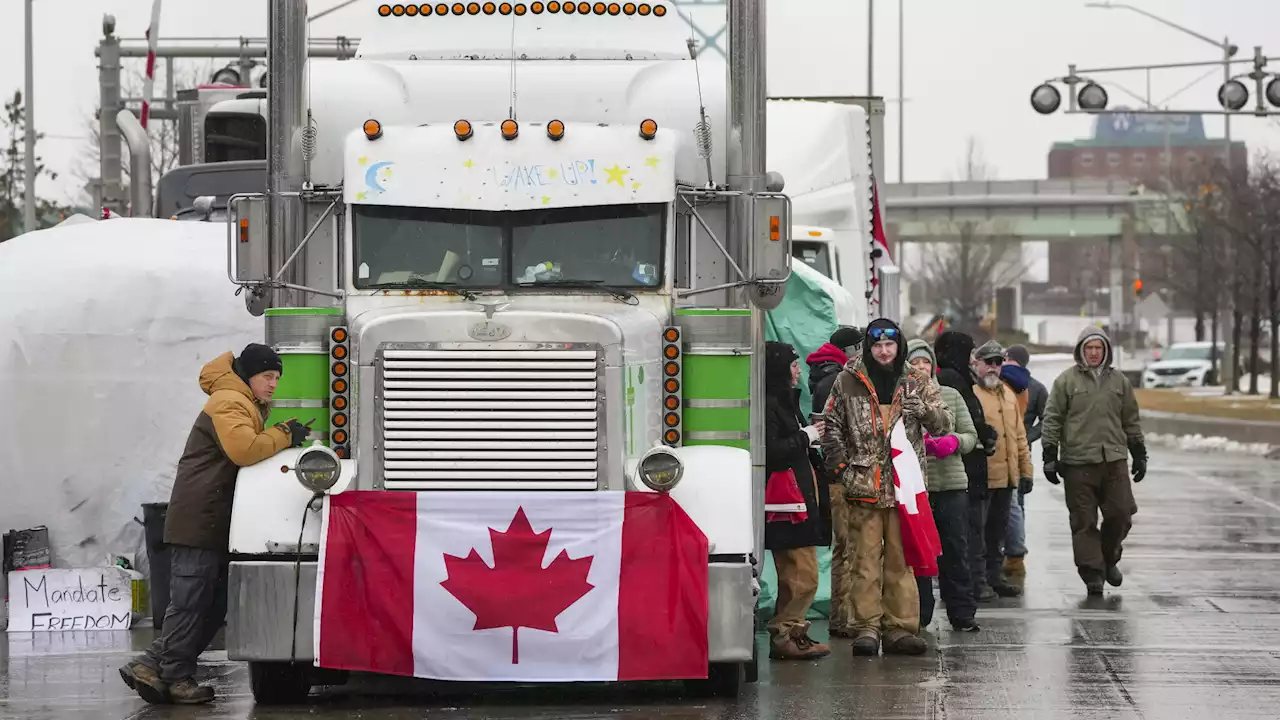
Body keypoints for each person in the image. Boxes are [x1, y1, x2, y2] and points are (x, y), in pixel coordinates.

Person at [119, 344, 311, 704]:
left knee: (211, 603)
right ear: (249, 374)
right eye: (268, 376)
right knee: (191, 602)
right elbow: (244, 450)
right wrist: (283, 434)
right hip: (199, 517)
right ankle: (173, 676)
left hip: (210, 517)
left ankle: (154, 665)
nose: (274, 385)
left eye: (277, 378)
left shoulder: (243, 402)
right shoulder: (230, 401)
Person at [822, 318, 951, 656]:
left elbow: (943, 424)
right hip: (862, 486)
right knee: (863, 561)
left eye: (889, 345)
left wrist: (922, 410)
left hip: (903, 487)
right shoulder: (846, 380)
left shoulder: (917, 381)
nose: (883, 351)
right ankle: (866, 627)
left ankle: (900, 627)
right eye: (877, 345)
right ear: (869, 347)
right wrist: (840, 466)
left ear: (899, 346)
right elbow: (831, 424)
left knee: (900, 560)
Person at [1041, 327, 1146, 596]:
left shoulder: (1119, 382)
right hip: (1078, 463)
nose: (1094, 352)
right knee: (1083, 522)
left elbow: (1131, 419)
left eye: (1099, 348)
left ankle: (1109, 559)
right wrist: (1050, 455)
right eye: (1089, 348)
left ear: (1106, 351)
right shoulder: (1066, 381)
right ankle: (1093, 573)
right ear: (1081, 351)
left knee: (1121, 514)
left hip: (1113, 460)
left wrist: (1139, 452)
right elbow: (1052, 418)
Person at [763, 341, 832, 660]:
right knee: (801, 576)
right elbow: (773, 453)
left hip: (796, 504)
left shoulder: (784, 402)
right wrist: (808, 435)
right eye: (793, 365)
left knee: (799, 574)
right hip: (786, 508)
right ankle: (785, 634)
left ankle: (793, 632)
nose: (799, 371)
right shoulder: (770, 405)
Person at [906, 340, 981, 632]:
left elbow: (970, 435)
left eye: (926, 362)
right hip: (917, 489)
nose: (921, 367)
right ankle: (920, 613)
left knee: (956, 550)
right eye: (915, 362)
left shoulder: (950, 394)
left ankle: (962, 612)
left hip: (951, 486)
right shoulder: (902, 397)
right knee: (919, 554)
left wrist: (953, 443)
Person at [933, 331, 1000, 604]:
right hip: (964, 469)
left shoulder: (961, 378)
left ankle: (974, 583)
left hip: (971, 466)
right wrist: (984, 433)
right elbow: (964, 421)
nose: (973, 358)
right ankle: (971, 586)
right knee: (967, 533)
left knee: (974, 530)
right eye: (970, 351)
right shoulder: (951, 380)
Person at [805, 325, 862, 637]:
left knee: (844, 548)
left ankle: (843, 616)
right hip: (842, 476)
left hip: (832, 474)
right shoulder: (836, 380)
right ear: (852, 350)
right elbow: (832, 434)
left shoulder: (821, 374)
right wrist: (842, 468)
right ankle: (847, 618)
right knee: (849, 547)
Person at [971, 341, 1032, 600]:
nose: (994, 368)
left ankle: (994, 577)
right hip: (982, 478)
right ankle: (978, 581)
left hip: (1007, 478)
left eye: (998, 363)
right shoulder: (972, 393)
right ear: (978, 365)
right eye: (989, 363)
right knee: (978, 534)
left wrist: (1026, 471)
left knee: (998, 533)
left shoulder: (1008, 394)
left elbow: (1019, 437)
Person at [1000, 345, 1047, 581]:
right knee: (1016, 503)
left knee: (1010, 502)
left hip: (1014, 449)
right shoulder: (1036, 386)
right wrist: (1029, 435)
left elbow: (1047, 418)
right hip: (1021, 448)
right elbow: (1047, 420)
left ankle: (1011, 552)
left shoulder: (1030, 387)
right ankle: (1014, 554)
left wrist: (1026, 436)